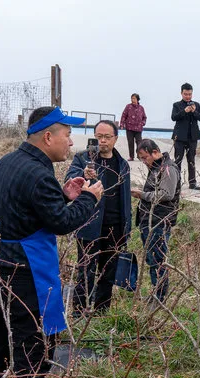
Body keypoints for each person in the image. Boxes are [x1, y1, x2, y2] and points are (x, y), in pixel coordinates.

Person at [0, 106, 103, 378]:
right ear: (48, 137)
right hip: (25, 272)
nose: (71, 141)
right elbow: (61, 223)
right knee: (32, 349)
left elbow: (29, 211)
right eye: (66, 134)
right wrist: (89, 199)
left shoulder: (9, 162)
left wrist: (64, 196)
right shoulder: (39, 173)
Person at [65, 120, 131, 315]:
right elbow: (69, 180)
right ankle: (79, 311)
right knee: (86, 269)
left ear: (116, 139)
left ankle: (102, 311)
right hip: (89, 224)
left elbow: (126, 198)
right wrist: (83, 174)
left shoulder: (122, 164)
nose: (102, 141)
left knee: (109, 270)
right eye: (99, 136)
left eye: (107, 137)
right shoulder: (83, 159)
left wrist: (127, 228)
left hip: (115, 227)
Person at [132, 139, 181, 305]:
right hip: (149, 220)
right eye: (141, 159)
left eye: (145, 157)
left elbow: (166, 194)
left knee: (158, 260)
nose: (144, 162)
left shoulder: (168, 168)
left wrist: (142, 195)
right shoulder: (155, 168)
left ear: (155, 152)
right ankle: (156, 294)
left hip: (160, 221)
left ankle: (160, 298)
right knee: (151, 260)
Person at [171, 83, 200, 190]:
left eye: (190, 94)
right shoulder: (176, 105)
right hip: (179, 137)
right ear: (181, 93)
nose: (188, 96)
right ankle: (176, 183)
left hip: (192, 137)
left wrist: (194, 111)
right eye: (185, 94)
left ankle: (192, 183)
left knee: (191, 160)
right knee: (178, 160)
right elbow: (174, 117)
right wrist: (184, 111)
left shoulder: (196, 105)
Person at [120, 93, 147, 162]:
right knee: (130, 142)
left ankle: (139, 156)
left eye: (134, 98)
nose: (132, 100)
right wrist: (122, 124)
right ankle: (131, 157)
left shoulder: (141, 108)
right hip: (129, 128)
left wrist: (142, 123)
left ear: (137, 99)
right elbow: (124, 115)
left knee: (139, 143)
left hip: (138, 128)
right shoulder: (128, 106)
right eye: (132, 98)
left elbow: (144, 117)